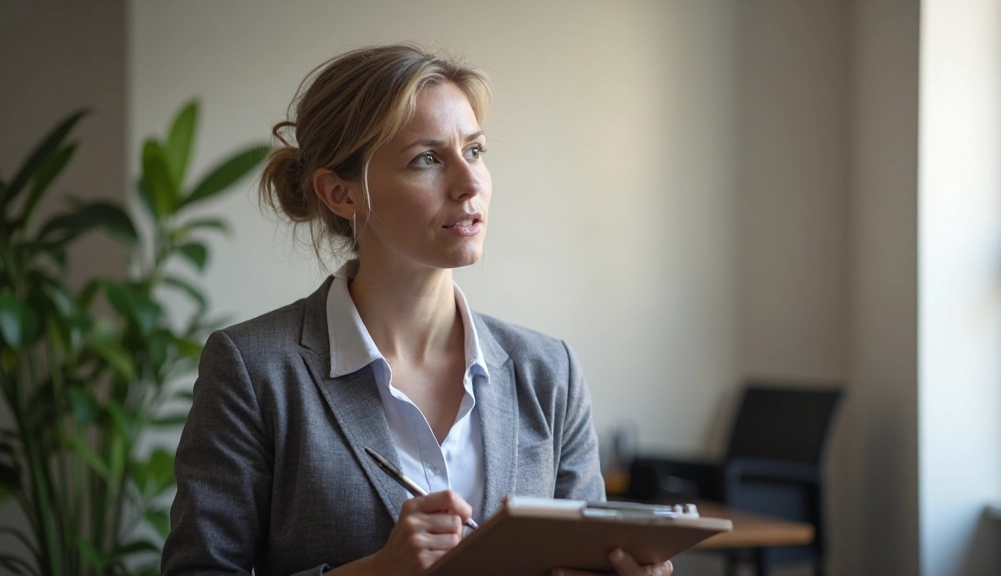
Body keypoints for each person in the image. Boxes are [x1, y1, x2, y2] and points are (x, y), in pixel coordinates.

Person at [161, 44, 673, 576]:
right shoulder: (254, 369)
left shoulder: (549, 372)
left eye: (474, 151)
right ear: (340, 193)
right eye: (426, 159)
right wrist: (378, 572)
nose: (469, 183)